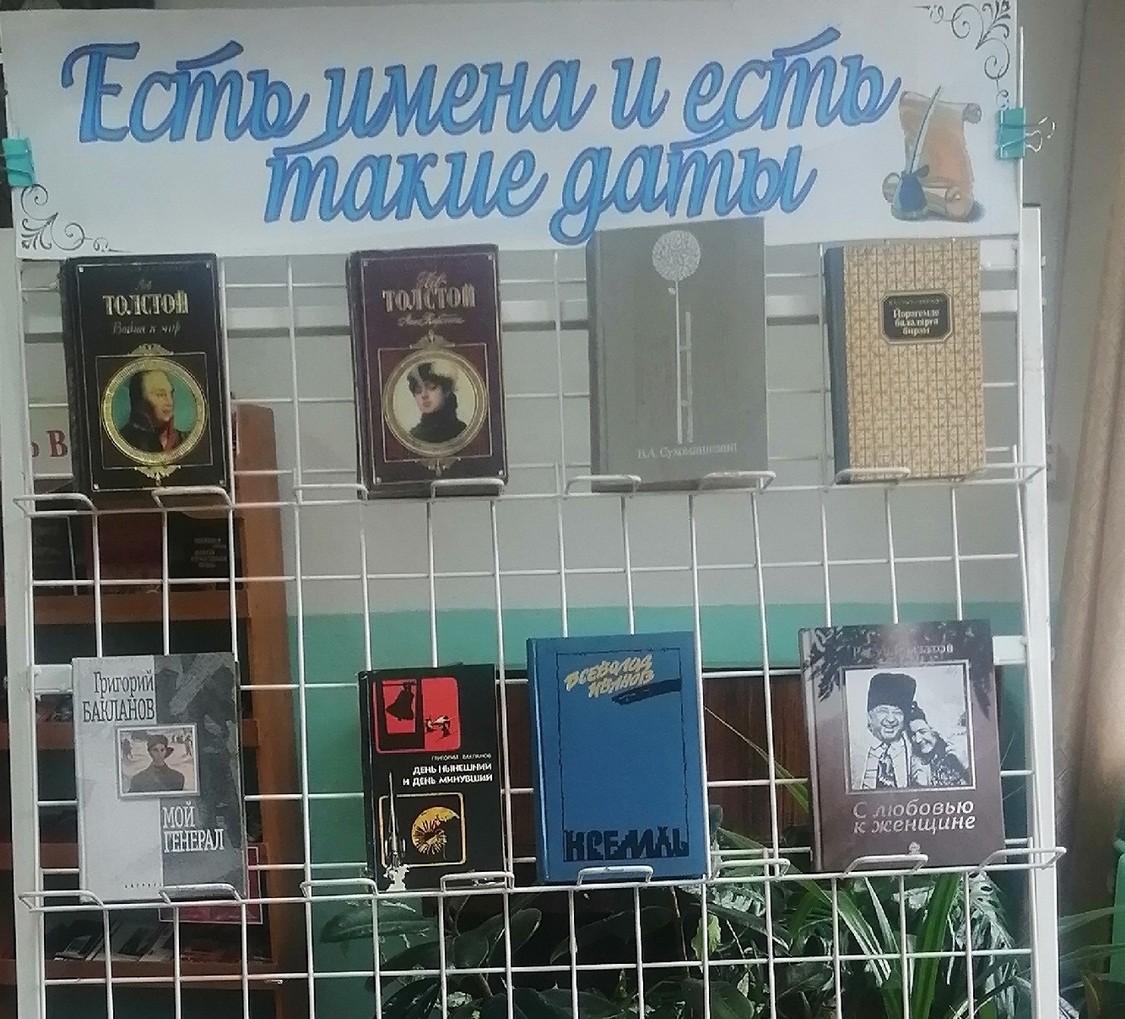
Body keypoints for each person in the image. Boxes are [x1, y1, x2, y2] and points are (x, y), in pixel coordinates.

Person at [855, 672, 915, 791]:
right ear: (869, 716)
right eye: (883, 711)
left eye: (898, 712)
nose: (891, 719)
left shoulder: (913, 749)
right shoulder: (853, 748)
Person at [118, 369, 188, 454]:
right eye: (160, 394)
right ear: (139, 400)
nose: (170, 402)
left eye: (171, 394)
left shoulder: (184, 440)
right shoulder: (122, 441)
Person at [908, 706, 970, 787]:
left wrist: (966, 765)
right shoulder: (917, 762)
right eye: (913, 735)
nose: (917, 740)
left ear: (936, 730)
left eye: (923, 732)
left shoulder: (958, 752)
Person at [406, 362, 467, 445]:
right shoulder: (414, 436)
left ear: (446, 391)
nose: (424, 395)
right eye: (418, 390)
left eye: (431, 387)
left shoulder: (462, 432)